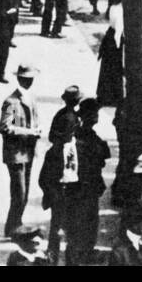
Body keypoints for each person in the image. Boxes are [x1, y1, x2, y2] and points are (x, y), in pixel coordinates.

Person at [0, 62, 43, 238]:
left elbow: (34, 119)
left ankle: (16, 223)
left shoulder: (30, 97)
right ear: (20, 79)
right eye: (26, 79)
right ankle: (12, 226)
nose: (29, 81)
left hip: (28, 151)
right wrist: (29, 132)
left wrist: (37, 129)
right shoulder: (11, 101)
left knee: (24, 193)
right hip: (16, 153)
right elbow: (4, 127)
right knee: (19, 192)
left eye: (30, 79)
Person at [69, 98, 111, 264]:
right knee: (85, 221)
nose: (96, 116)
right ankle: (81, 255)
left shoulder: (85, 136)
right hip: (84, 186)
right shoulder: (85, 138)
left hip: (87, 186)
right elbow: (101, 159)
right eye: (93, 113)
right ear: (86, 115)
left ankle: (85, 252)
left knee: (87, 221)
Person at [39, 105, 81, 264]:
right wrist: (53, 195)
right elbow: (43, 179)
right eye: (67, 131)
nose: (70, 133)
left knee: (74, 231)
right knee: (56, 231)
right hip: (59, 194)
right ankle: (52, 259)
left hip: (74, 194)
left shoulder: (78, 148)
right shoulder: (54, 153)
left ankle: (72, 260)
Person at [95, 0, 126, 110]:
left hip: (109, 40)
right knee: (115, 69)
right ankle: (113, 96)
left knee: (107, 68)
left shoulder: (113, 7)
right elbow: (118, 31)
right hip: (114, 42)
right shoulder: (119, 10)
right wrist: (120, 46)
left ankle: (105, 95)